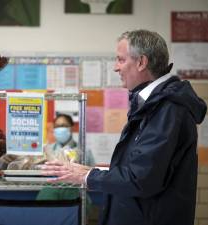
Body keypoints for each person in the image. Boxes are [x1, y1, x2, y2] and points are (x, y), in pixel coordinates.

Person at [41, 29, 207, 225]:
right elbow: (144, 166)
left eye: (120, 60)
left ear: (141, 62)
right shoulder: (153, 104)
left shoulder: (167, 109)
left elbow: (141, 179)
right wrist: (94, 170)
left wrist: (87, 176)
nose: (115, 68)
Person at [36, 113, 80, 200]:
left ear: (71, 127)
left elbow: (90, 176)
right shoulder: (48, 150)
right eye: (57, 126)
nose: (60, 128)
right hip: (50, 192)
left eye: (64, 125)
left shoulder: (83, 151)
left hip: (75, 193)